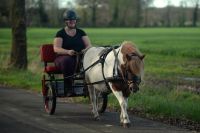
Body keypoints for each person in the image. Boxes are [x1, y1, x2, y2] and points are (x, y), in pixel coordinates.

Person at [53, 10, 92, 96]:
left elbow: (89, 45)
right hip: (62, 58)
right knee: (67, 61)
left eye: (74, 19)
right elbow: (56, 48)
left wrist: (85, 50)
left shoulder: (81, 32)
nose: (72, 21)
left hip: (79, 56)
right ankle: (68, 88)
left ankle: (88, 87)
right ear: (65, 21)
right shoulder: (60, 33)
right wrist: (67, 51)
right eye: (69, 20)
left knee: (90, 61)